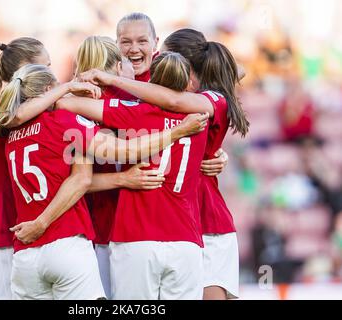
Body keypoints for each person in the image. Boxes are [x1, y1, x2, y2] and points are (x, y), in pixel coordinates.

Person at [0, 63, 208, 300]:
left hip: (25, 256)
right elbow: (125, 152)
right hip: (64, 243)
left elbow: (77, 176)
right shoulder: (62, 121)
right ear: (51, 89)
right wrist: (176, 132)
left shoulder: (9, 132)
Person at [79, 28, 249, 299]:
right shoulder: (200, 104)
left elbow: (175, 98)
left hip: (195, 220)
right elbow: (235, 72)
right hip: (171, 224)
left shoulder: (192, 102)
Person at [56, 52, 209, 300]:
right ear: (189, 83)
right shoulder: (202, 116)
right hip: (185, 239)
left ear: (150, 82)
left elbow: (64, 104)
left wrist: (81, 87)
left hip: (136, 237)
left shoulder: (134, 113)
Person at [0, 37, 101, 300]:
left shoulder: (31, 113)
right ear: (25, 73)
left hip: (27, 236)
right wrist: (67, 89)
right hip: (3, 233)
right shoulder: (3, 114)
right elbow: (18, 115)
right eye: (45, 67)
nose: (51, 74)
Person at [116, 12, 229, 176]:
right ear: (116, 44)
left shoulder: (169, 72)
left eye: (142, 41)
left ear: (155, 43)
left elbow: (236, 73)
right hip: (118, 190)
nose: (134, 49)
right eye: (126, 42)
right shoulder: (107, 75)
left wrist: (215, 150)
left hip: (176, 191)